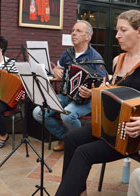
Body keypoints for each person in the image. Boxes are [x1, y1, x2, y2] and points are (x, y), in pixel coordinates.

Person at [55, 10, 140, 196]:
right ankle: (79, 192)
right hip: (110, 127)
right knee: (72, 139)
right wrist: (97, 91)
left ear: (139, 31)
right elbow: (115, 92)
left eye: (123, 30)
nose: (117, 35)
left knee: (83, 153)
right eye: (117, 30)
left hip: (135, 134)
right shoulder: (119, 59)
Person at [32, 20, 107, 151]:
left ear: (88, 36)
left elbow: (104, 84)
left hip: (86, 100)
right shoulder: (68, 53)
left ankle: (79, 141)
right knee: (38, 112)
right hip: (66, 95)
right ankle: (66, 138)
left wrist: (91, 92)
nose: (73, 33)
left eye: (78, 31)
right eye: (72, 31)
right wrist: (55, 70)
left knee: (67, 115)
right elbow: (57, 68)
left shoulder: (95, 58)